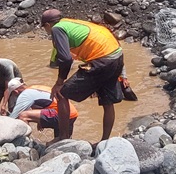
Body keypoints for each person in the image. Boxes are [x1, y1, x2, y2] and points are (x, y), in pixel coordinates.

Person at [41, 8, 124, 143]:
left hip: (102, 59)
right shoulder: (70, 22)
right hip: (116, 55)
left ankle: (63, 137)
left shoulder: (57, 29)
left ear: (47, 25)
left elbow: (66, 59)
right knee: (107, 102)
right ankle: (104, 141)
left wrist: (59, 82)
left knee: (61, 93)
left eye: (45, 28)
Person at [4, 78, 78, 138]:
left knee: (23, 116)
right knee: (63, 141)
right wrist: (39, 122)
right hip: (71, 114)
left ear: (15, 92)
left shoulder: (24, 95)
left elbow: (14, 117)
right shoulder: (34, 88)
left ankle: (26, 141)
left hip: (61, 115)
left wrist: (2, 125)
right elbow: (44, 103)